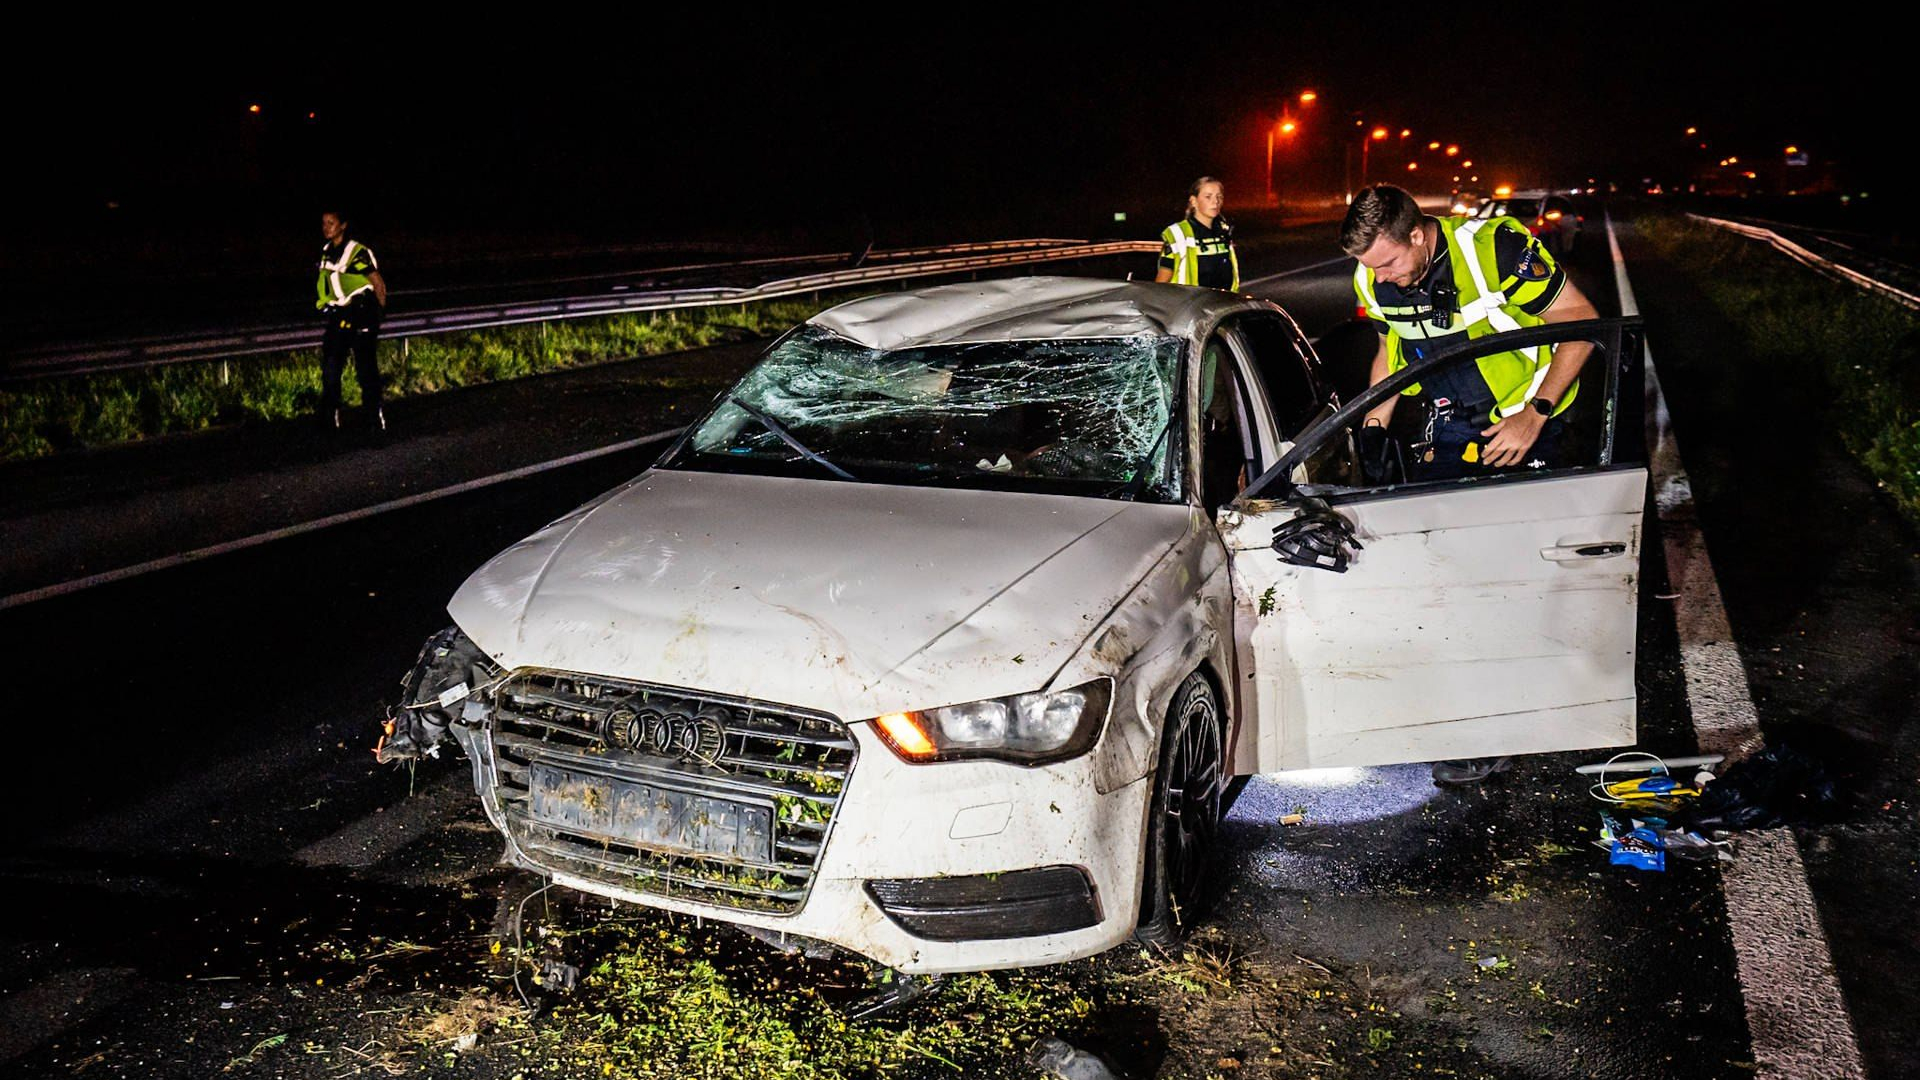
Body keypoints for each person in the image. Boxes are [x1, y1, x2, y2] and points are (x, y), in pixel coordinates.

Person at [1340, 184, 1600, 786]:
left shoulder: (1497, 249)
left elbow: (1581, 321)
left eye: (1387, 261)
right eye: (1366, 265)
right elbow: (1392, 346)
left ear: (1418, 234)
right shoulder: (1371, 274)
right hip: (1450, 426)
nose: (1379, 275)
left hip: (1530, 422)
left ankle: (1506, 722)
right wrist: (1374, 423)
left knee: (1512, 578)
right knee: (1444, 573)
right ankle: (1465, 712)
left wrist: (1535, 413)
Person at [315, 209, 388, 430]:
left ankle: (375, 417)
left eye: (331, 223)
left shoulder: (356, 251)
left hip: (361, 313)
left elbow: (379, 284)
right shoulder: (327, 252)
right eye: (324, 223)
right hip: (340, 315)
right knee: (331, 365)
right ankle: (331, 416)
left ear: (343, 225)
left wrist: (377, 317)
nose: (326, 227)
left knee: (365, 368)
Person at [1155, 177, 1240, 291]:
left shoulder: (1223, 233)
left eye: (1219, 197)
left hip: (1222, 305)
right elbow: (1161, 286)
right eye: (1208, 197)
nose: (1215, 201)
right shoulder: (1178, 234)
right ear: (1193, 201)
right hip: (1188, 306)